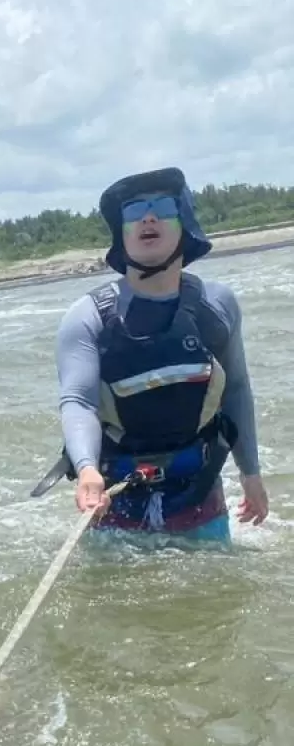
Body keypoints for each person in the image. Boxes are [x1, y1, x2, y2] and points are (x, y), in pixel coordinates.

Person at [44, 166, 268, 538]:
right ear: (122, 234)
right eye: (133, 210)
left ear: (185, 224)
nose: (148, 217)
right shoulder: (86, 318)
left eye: (162, 207)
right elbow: (78, 400)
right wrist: (86, 469)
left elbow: (237, 390)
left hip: (199, 492)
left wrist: (252, 474)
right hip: (114, 499)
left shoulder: (218, 306)